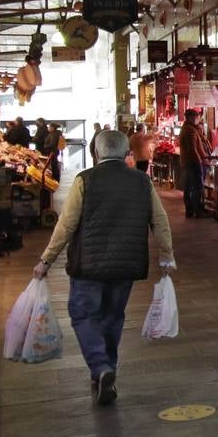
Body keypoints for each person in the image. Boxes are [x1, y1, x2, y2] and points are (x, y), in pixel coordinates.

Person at [33, 130, 176, 406]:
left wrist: (46, 260)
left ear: (97, 153)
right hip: (126, 265)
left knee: (83, 314)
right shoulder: (142, 181)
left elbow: (66, 225)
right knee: (113, 317)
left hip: (89, 265)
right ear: (126, 154)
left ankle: (100, 367)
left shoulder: (85, 180)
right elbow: (160, 221)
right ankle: (107, 368)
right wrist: (167, 257)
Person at [179, 108, 210, 218]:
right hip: (193, 162)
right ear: (192, 117)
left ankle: (191, 209)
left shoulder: (188, 128)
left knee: (190, 186)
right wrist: (199, 161)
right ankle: (196, 210)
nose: (198, 119)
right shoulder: (190, 130)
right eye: (197, 117)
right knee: (197, 186)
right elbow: (192, 148)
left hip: (189, 162)